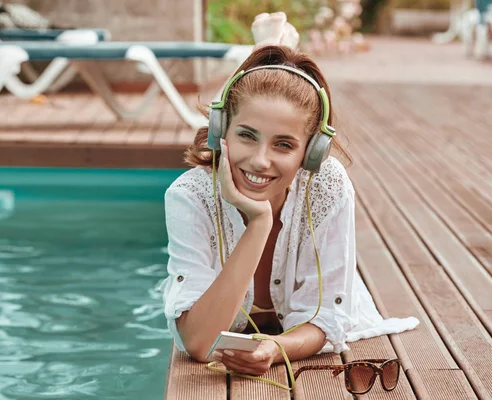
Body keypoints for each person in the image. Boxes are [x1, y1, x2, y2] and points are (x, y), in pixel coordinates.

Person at [160, 13, 418, 377]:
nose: (260, 160)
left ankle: (272, 48)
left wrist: (275, 347)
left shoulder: (327, 185)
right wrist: (260, 222)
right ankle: (271, 48)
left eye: (284, 144)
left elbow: (328, 318)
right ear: (220, 132)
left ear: (310, 154)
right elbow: (199, 343)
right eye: (246, 135)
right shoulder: (190, 195)